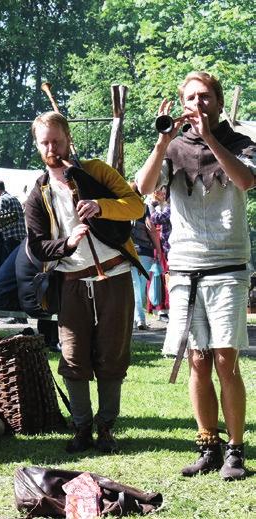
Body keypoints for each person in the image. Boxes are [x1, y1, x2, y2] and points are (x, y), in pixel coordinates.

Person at [135, 71, 255, 480]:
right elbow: (143, 187)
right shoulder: (173, 148)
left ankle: (236, 449)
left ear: (219, 103)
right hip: (185, 267)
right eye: (191, 98)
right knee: (197, 361)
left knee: (226, 360)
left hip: (228, 266)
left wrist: (212, 138)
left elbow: (246, 179)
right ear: (181, 103)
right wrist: (162, 142)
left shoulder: (238, 142)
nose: (198, 105)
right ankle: (208, 444)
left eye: (205, 97)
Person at [24, 111, 144, 453]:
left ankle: (106, 428)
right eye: (44, 143)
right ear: (37, 145)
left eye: (56, 141)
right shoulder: (38, 192)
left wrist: (101, 206)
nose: (51, 148)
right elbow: (36, 246)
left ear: (68, 139)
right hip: (71, 282)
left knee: (112, 354)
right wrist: (68, 244)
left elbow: (136, 207)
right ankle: (81, 429)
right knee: (73, 358)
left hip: (115, 276)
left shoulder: (96, 171)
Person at [129, 191, 163, 330]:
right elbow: (151, 229)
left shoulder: (121, 208)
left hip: (129, 253)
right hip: (145, 253)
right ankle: (140, 319)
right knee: (140, 288)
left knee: (134, 286)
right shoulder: (143, 208)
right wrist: (158, 250)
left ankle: (137, 318)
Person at [0, 180, 26, 273]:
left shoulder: (1, 199)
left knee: (3, 270)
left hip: (8, 240)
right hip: (20, 241)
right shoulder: (15, 199)